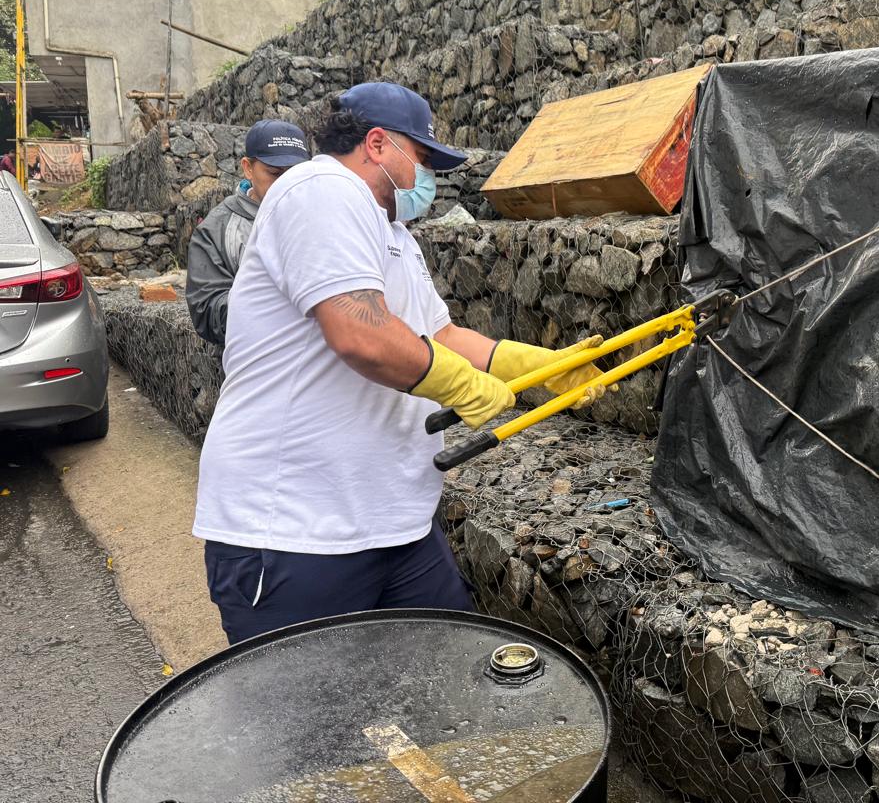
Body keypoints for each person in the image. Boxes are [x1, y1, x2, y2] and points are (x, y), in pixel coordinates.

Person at [193, 81, 611, 645]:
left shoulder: (393, 234)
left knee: (442, 687)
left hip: (395, 523)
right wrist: (460, 384)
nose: (426, 178)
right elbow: (358, 330)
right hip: (297, 530)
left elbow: (439, 334)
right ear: (377, 145)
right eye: (421, 159)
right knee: (310, 725)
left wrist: (539, 365)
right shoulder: (320, 189)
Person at [186, 120, 311, 345]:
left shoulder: (322, 214)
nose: (286, 184)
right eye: (275, 173)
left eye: (296, 174)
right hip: (257, 366)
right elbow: (207, 312)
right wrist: (280, 303)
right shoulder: (218, 229)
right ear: (248, 168)